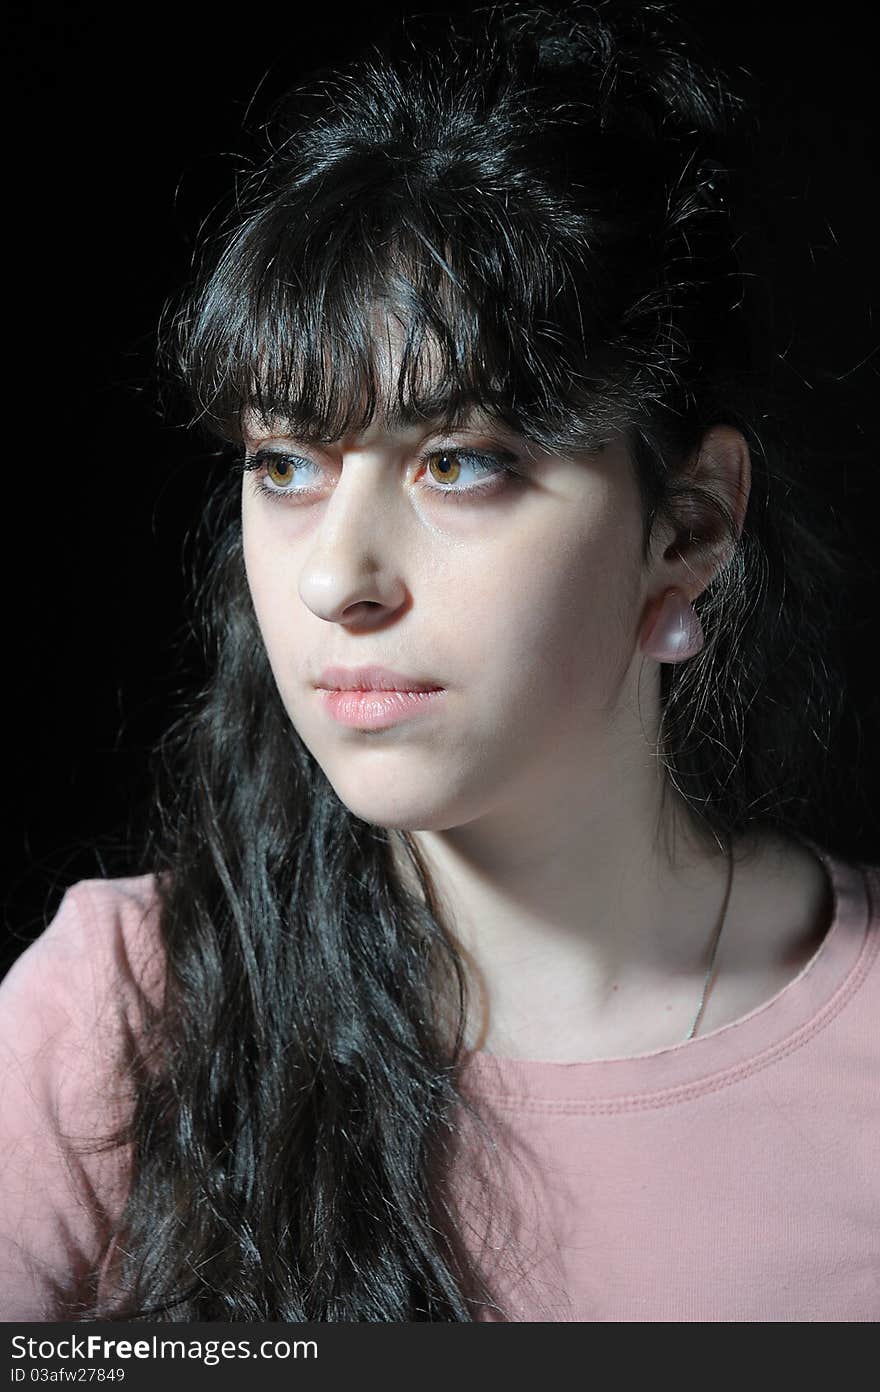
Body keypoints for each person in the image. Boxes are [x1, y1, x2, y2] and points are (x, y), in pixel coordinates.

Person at [1, 0, 877, 1323]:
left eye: (458, 462)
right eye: (285, 464)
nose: (333, 578)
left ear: (686, 526)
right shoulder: (113, 1020)